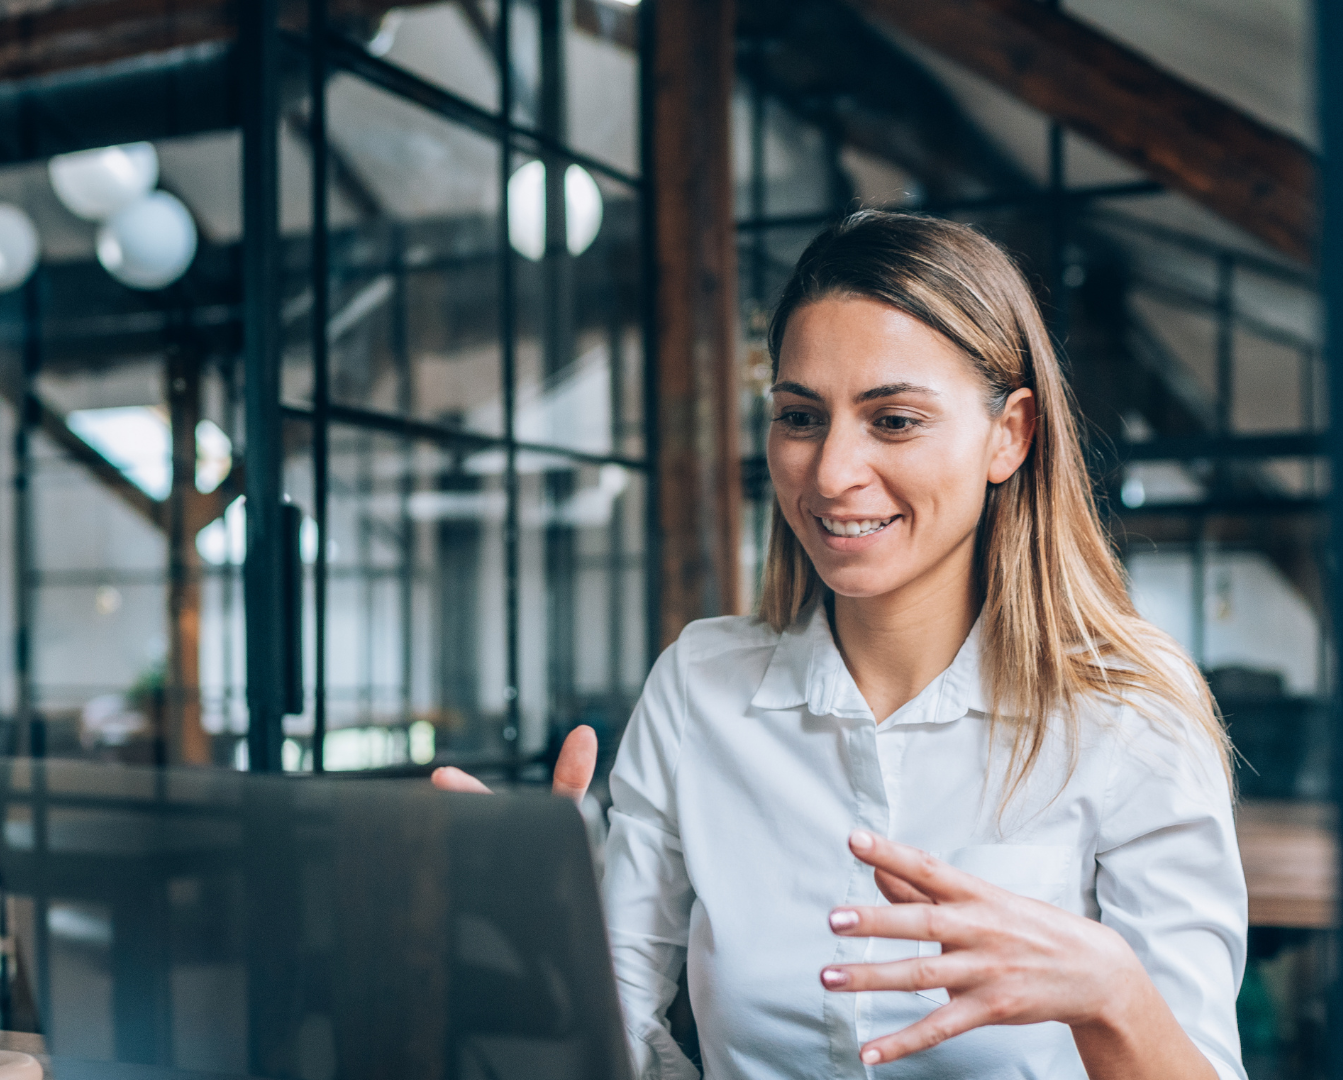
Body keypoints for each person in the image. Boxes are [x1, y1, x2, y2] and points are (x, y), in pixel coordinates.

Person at [435, 211, 1243, 1080]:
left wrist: (1111, 992)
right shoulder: (700, 685)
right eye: (800, 416)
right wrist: (544, 939)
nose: (829, 473)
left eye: (893, 420)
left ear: (1009, 435)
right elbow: (619, 1044)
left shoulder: (1127, 711)